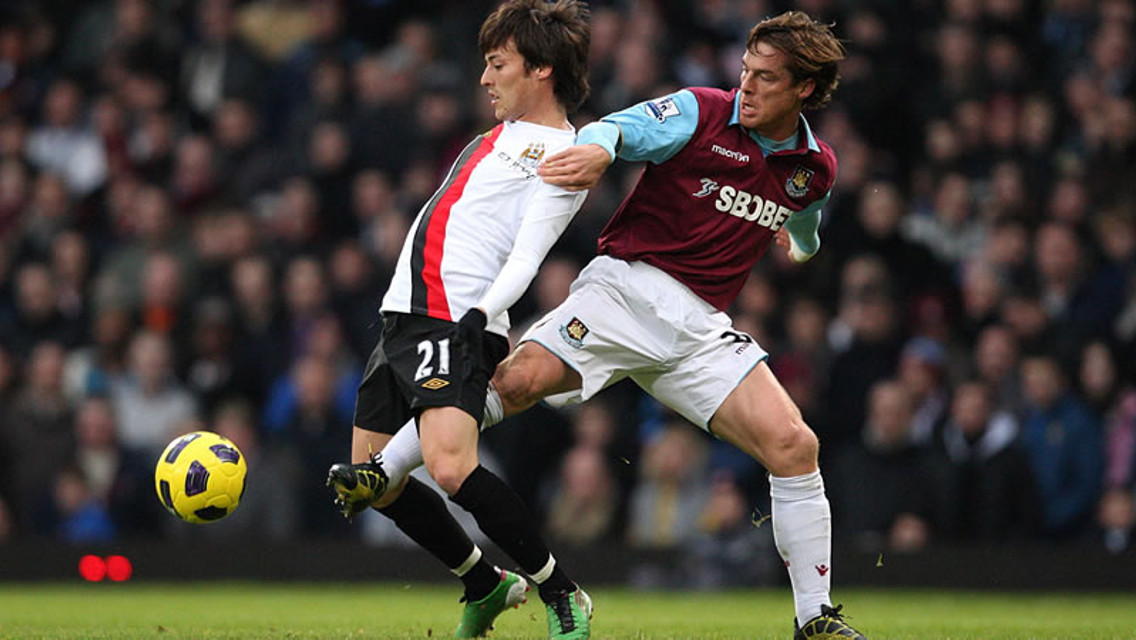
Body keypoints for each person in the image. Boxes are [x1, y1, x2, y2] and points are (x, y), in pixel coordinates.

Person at [343, 10, 867, 639]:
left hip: (699, 329)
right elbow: (621, 128)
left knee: (795, 446)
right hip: (623, 293)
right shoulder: (701, 111)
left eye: (765, 79)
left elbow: (806, 221)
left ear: (804, 89)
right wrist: (596, 150)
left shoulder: (815, 168)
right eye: (746, 70)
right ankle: (385, 468)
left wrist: (800, 246)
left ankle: (815, 618)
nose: (746, 87)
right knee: (514, 383)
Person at [325, 1, 594, 638]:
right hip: (404, 315)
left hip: (454, 318)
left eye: (498, 64)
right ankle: (482, 583)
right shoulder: (493, 137)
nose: (484, 78)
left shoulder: (565, 153)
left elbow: (530, 252)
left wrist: (482, 312)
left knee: (450, 467)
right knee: (372, 484)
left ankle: (563, 592)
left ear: (542, 70)